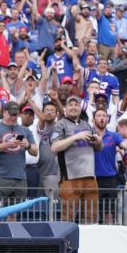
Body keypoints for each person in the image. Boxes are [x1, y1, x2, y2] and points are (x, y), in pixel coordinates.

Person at [50, 96, 102, 224]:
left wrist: (98, 142)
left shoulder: (87, 125)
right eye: (70, 105)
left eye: (76, 105)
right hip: (70, 177)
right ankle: (68, 243)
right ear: (65, 108)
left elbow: (99, 149)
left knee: (92, 217)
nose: (73, 107)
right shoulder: (60, 124)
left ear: (80, 108)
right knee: (68, 216)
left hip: (90, 176)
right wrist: (75, 137)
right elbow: (54, 147)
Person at [0, 100, 37, 205]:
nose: (13, 117)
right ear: (4, 113)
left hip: (20, 177)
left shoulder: (25, 130)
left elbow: (35, 152)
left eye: (16, 115)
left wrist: (28, 145)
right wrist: (8, 145)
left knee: (14, 211)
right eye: (11, 114)